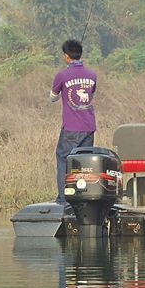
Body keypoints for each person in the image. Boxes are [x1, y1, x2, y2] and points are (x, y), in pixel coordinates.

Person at [50, 39, 97, 205]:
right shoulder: (92, 75)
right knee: (83, 163)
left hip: (71, 128)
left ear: (66, 56)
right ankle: (82, 196)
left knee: (64, 158)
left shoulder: (62, 75)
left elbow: (52, 97)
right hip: (89, 126)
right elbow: (91, 93)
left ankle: (64, 199)